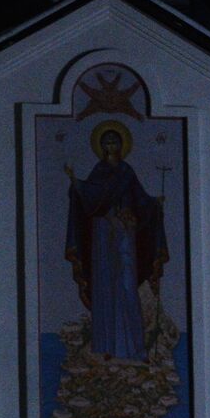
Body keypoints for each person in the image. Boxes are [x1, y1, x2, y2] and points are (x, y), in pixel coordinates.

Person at [63, 122, 169, 362]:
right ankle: (109, 345)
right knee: (106, 287)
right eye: (107, 142)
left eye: (114, 141)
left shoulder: (127, 171)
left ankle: (135, 347)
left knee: (127, 285)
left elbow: (139, 199)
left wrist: (154, 203)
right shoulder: (99, 171)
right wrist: (75, 182)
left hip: (125, 233)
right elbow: (89, 197)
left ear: (122, 144)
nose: (111, 145)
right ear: (101, 146)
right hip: (103, 234)